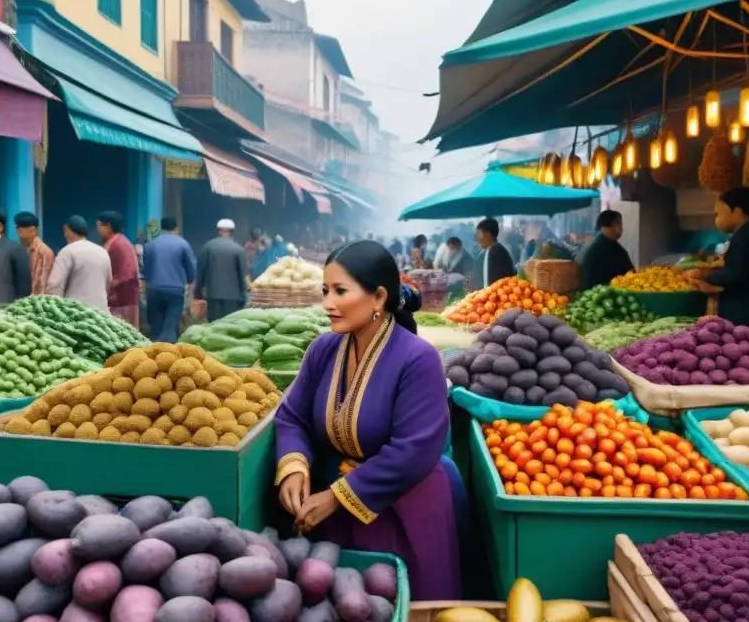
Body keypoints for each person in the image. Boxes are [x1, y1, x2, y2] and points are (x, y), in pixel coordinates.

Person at [274, 240, 463, 600]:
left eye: (340, 291)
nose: (328, 303)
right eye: (325, 291)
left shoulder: (418, 358)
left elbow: (414, 450)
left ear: (378, 298)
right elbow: (292, 416)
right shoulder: (323, 349)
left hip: (402, 508)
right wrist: (294, 466)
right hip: (330, 509)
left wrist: (337, 496)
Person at [690, 187, 749, 335]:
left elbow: (736, 274)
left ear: (737, 212)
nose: (716, 219)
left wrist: (705, 277)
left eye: (719, 213)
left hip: (747, 315)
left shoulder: (746, 236)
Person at [142, 217, 196, 342]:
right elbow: (191, 268)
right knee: (170, 325)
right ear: (176, 228)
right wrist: (189, 280)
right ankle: (168, 354)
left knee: (156, 326)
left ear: (162, 227)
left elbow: (146, 271)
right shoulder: (183, 244)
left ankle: (154, 352)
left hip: (154, 289)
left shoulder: (150, 245)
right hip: (175, 290)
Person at [46, 216, 112, 311]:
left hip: (77, 313)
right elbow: (108, 282)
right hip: (101, 312)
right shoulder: (102, 251)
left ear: (68, 231)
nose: (65, 235)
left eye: (66, 231)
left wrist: (54, 309)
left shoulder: (67, 251)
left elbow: (55, 284)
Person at [195, 218, 249, 322]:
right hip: (234, 297)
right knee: (230, 325)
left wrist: (198, 293)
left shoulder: (208, 247)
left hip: (213, 295)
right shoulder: (238, 249)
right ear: (232, 232)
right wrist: (246, 294)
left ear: (219, 231)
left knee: (214, 325)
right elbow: (244, 275)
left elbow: (200, 271)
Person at [96, 211, 140, 328]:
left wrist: (107, 287)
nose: (98, 230)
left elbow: (127, 273)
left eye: (100, 226)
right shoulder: (117, 241)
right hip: (122, 297)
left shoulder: (118, 244)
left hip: (122, 298)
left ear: (109, 226)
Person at [577, 209, 635, 289]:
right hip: (602, 295)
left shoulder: (601, 243)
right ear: (607, 226)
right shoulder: (602, 247)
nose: (622, 228)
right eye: (619, 223)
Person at [13, 211, 54, 295]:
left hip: (35, 301)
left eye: (23, 226)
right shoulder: (16, 249)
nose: (19, 230)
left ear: (33, 229)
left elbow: (44, 283)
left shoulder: (44, 252)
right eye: (17, 227)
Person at [472, 220, 515, 289]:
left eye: (478, 233)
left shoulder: (494, 251)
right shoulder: (489, 250)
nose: (477, 238)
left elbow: (489, 284)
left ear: (488, 234)